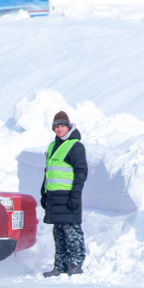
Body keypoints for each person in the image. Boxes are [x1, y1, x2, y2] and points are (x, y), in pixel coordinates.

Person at [41, 111, 88, 277]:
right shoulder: (52, 146)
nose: (59, 130)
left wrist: (76, 195)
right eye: (56, 127)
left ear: (68, 126)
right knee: (58, 233)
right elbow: (49, 171)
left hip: (68, 197)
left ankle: (75, 264)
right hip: (54, 198)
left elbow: (81, 172)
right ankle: (59, 266)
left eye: (62, 126)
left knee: (71, 231)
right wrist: (44, 193)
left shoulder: (75, 146)